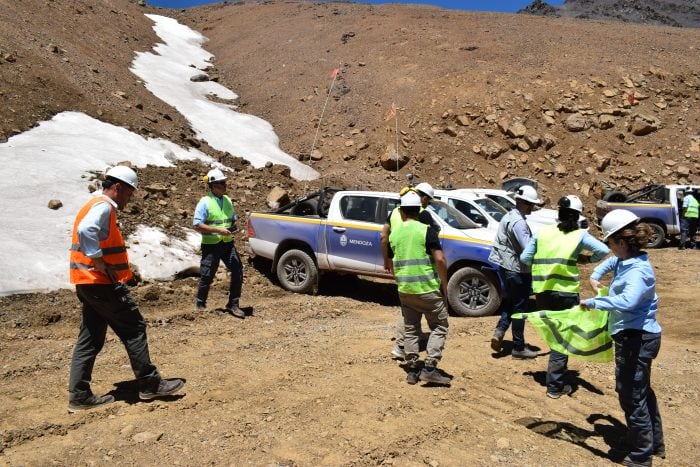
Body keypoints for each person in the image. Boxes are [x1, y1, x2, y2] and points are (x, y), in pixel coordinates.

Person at [68, 166, 184, 412]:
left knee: (89, 339)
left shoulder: (92, 204)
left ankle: (79, 396)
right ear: (118, 187)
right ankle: (150, 384)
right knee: (134, 327)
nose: (129, 199)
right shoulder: (104, 206)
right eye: (129, 193)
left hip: (86, 283)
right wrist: (99, 260)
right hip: (101, 283)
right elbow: (86, 230)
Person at [580, 209, 665, 467]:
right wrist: (595, 276)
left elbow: (628, 301)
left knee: (632, 395)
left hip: (636, 339)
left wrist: (595, 302)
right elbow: (610, 263)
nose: (609, 247)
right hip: (632, 337)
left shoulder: (639, 271)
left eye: (609, 243)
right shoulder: (626, 259)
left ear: (620, 242)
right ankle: (653, 443)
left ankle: (641, 456)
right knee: (639, 392)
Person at [520, 195, 609, 399]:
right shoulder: (579, 235)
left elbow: (524, 258)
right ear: (577, 216)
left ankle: (555, 374)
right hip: (566, 293)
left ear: (558, 212)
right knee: (563, 338)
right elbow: (603, 250)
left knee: (553, 334)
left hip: (542, 292)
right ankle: (555, 385)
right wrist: (584, 258)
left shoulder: (542, 233)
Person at [389, 190, 451, 385]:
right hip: (427, 289)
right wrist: (444, 284)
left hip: (405, 290)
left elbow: (392, 261)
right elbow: (440, 259)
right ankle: (430, 368)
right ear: (419, 209)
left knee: (411, 329)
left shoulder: (395, 234)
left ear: (402, 212)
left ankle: (413, 369)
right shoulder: (426, 230)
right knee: (439, 326)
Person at [381, 182, 438, 360]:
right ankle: (400, 345)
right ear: (424, 198)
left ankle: (410, 340)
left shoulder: (395, 212)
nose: (427, 204)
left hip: (400, 265)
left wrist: (387, 260)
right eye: (428, 201)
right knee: (412, 309)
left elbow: (384, 236)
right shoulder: (422, 214)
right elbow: (433, 238)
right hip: (419, 269)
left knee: (408, 306)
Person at [488, 185, 543, 359]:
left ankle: (500, 331)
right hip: (518, 270)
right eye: (529, 204)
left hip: (507, 267)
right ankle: (518, 347)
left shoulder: (509, 216)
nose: (531, 207)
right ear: (521, 202)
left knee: (512, 302)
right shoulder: (519, 223)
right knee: (520, 308)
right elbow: (527, 251)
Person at [193, 168, 245, 318]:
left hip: (227, 243)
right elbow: (197, 225)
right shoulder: (205, 202)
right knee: (207, 274)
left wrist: (233, 227)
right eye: (221, 183)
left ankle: (233, 304)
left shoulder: (227, 200)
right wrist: (218, 230)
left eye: (225, 182)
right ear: (213, 185)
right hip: (211, 245)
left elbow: (232, 218)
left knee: (238, 271)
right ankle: (200, 304)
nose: (225, 185)